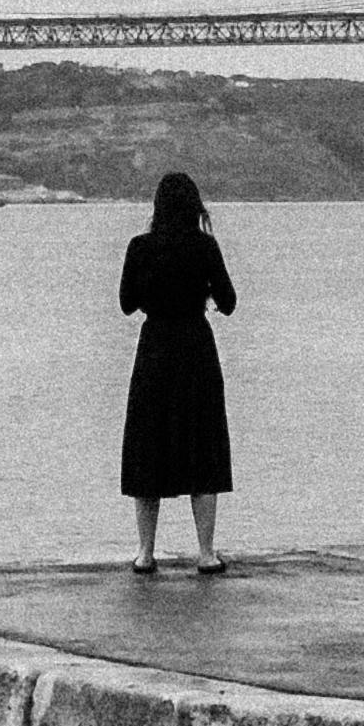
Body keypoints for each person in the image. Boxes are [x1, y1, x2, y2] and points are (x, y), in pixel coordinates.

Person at [118, 169, 236, 573]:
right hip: (196, 350)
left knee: (147, 446)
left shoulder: (139, 247)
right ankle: (206, 553)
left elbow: (126, 303)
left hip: (154, 350)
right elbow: (228, 301)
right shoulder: (205, 246)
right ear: (194, 207)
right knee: (203, 446)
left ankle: (145, 553)